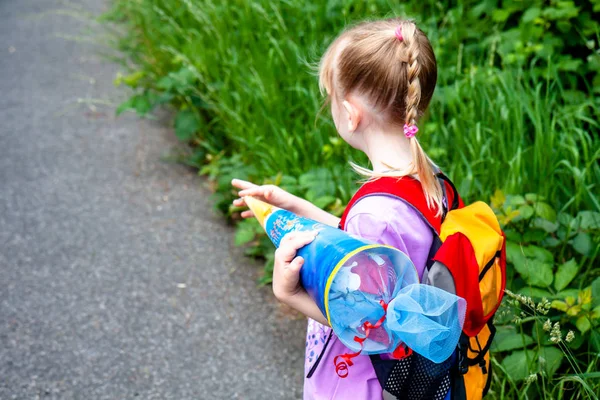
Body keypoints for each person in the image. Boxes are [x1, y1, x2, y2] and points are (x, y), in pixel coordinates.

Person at [232, 18, 452, 400]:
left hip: (363, 383)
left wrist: (290, 295)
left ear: (350, 114)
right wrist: (295, 205)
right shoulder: (428, 179)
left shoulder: (375, 214)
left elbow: (370, 322)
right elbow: (374, 253)